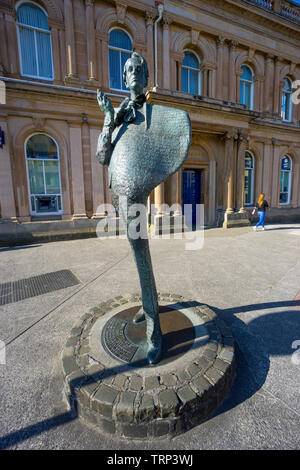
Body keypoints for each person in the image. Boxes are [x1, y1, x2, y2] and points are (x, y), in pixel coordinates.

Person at [95, 52, 191, 364]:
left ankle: (154, 328)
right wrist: (110, 117)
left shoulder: (159, 116)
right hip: (119, 193)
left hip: (137, 193)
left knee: (140, 253)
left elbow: (168, 143)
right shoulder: (117, 118)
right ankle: (147, 304)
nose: (134, 72)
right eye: (129, 69)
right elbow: (101, 156)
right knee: (140, 256)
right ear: (123, 78)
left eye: (139, 69)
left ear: (146, 77)